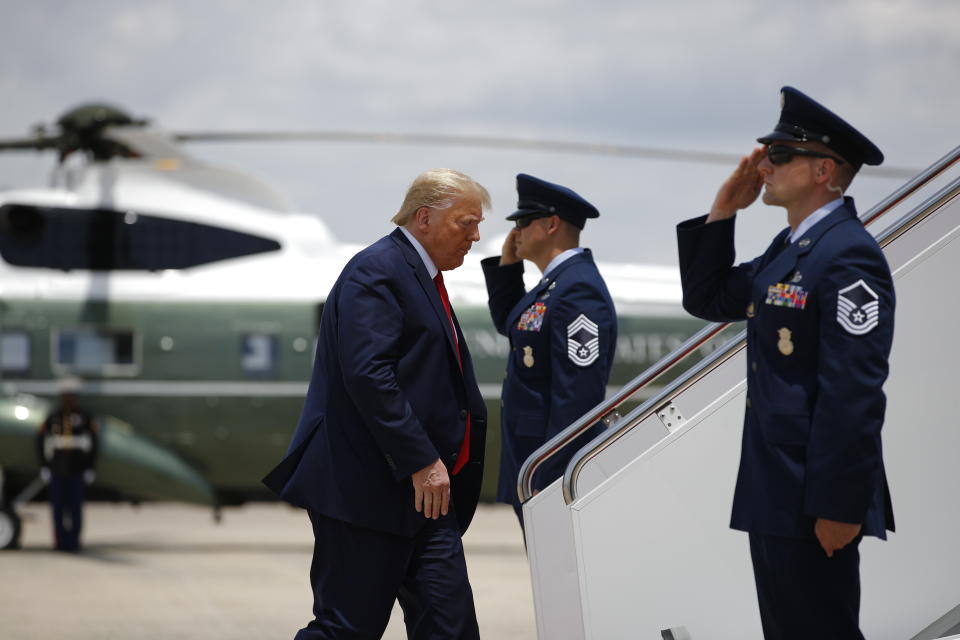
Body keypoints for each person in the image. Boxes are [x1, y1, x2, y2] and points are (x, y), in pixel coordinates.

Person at [676, 86, 895, 639]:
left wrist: (840, 506)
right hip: (777, 488)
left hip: (815, 495)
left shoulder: (848, 254)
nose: (764, 166)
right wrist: (723, 211)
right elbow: (708, 298)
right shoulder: (790, 247)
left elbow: (854, 391)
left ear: (823, 170)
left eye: (780, 155)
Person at [263, 168, 490, 640]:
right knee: (347, 630)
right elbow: (368, 375)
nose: (476, 236)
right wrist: (421, 458)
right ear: (424, 218)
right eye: (465, 223)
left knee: (450, 629)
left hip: (427, 498)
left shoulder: (419, 277)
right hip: (367, 490)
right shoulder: (378, 270)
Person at [481, 174, 616, 527]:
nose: (516, 232)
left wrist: (551, 477)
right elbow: (516, 328)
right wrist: (507, 268)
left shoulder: (578, 289)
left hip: (547, 470)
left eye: (523, 222)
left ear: (552, 224)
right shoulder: (556, 286)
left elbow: (578, 395)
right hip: (531, 462)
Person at [37, 377, 99, 552]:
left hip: (76, 469)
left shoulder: (84, 416)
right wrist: (44, 465)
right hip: (57, 469)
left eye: (71, 395)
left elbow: (94, 442)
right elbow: (41, 439)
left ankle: (73, 542)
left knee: (75, 509)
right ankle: (60, 542)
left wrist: (90, 468)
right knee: (57, 509)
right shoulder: (53, 416)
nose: (69, 399)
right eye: (66, 395)